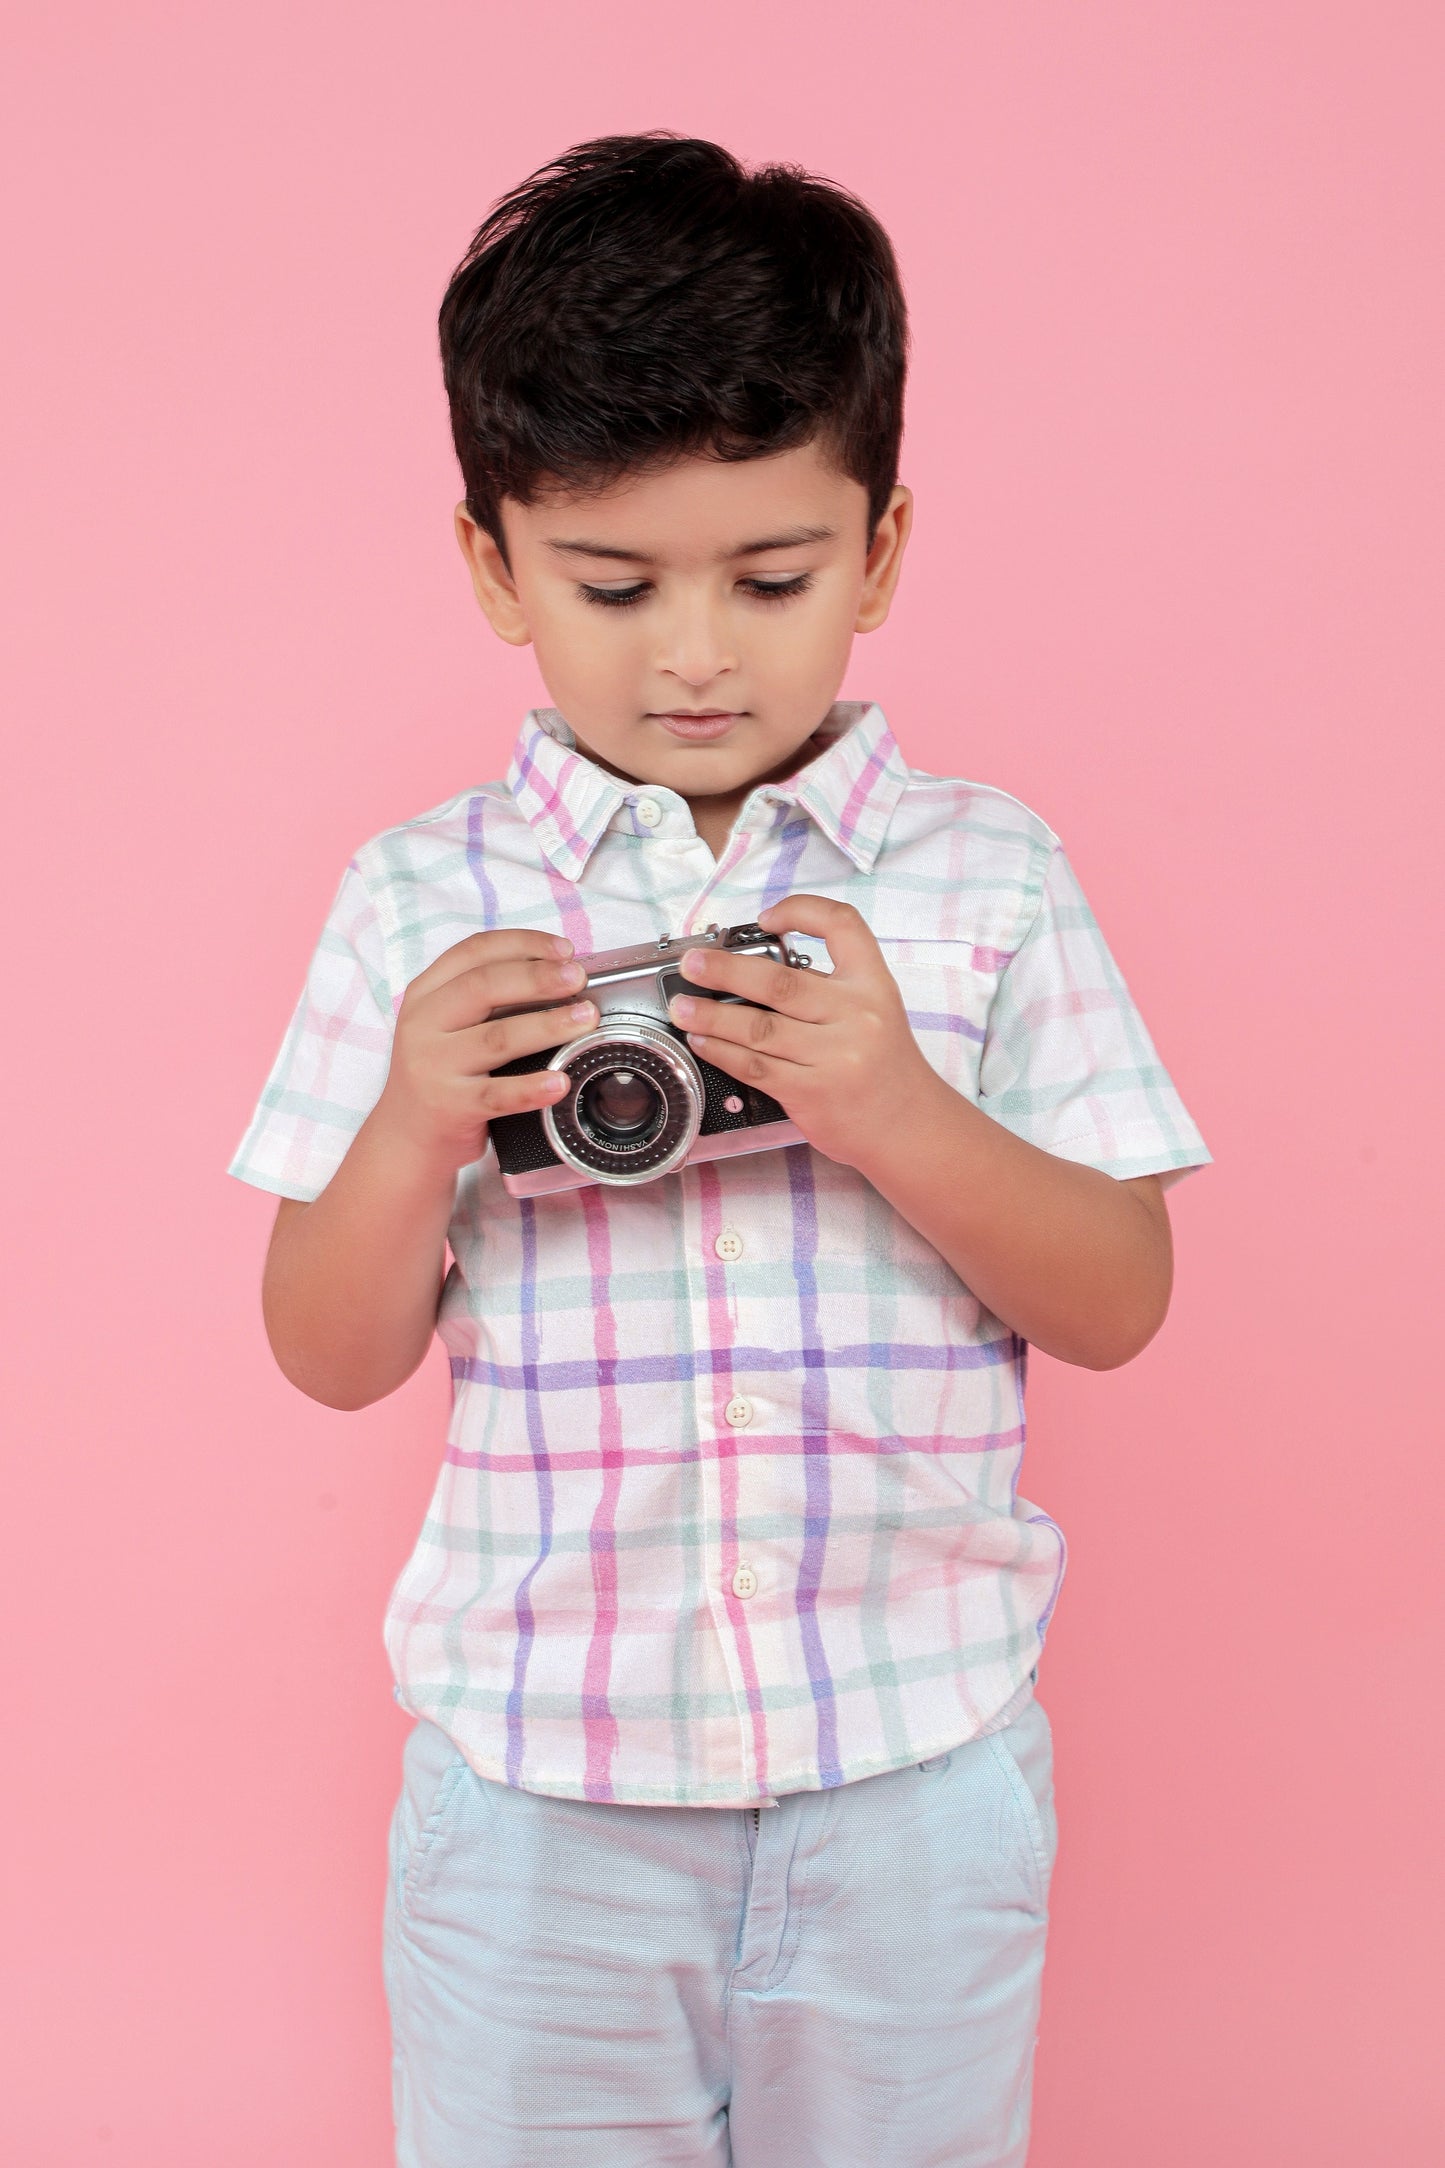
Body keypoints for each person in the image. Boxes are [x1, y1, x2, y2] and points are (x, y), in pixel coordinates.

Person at [229, 133, 1212, 2168]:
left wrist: (889, 1109)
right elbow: (327, 1349)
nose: (697, 652)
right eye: (614, 584)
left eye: (772, 579)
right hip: (541, 1798)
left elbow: (1119, 1295)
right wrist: (424, 1118)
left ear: (883, 547)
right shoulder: (421, 901)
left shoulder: (984, 877)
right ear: (494, 562)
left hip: (911, 1775)